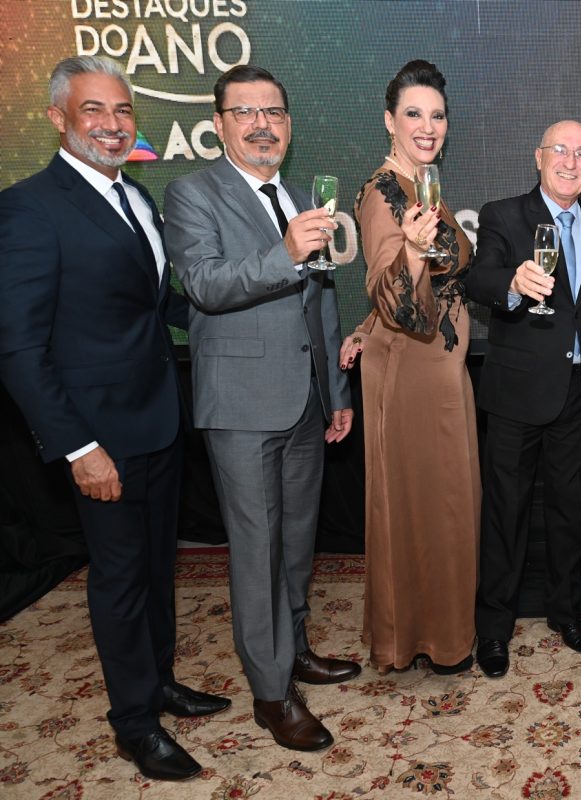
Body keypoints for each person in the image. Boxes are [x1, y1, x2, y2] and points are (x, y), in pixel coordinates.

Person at [0, 55, 229, 781]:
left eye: (123, 109)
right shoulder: (30, 208)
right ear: (58, 118)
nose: (112, 124)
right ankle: (134, 722)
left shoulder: (136, 193)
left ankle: (159, 683)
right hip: (99, 436)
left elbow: (157, 305)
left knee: (158, 567)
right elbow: (18, 348)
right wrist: (79, 448)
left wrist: (240, 315)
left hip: (158, 418)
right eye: (93, 110)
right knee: (120, 579)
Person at [163, 64, 359, 753]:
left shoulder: (301, 195)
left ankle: (294, 649)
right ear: (218, 125)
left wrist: (336, 394)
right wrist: (284, 253)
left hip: (305, 400)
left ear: (289, 124)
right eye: (245, 112)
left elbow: (322, 300)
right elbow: (204, 286)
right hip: (241, 406)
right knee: (256, 550)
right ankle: (272, 693)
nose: (261, 125)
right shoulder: (192, 194)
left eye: (273, 112)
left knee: (297, 538)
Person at [337, 60, 479, 675]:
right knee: (423, 505)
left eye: (437, 115)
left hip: (441, 367)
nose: (428, 126)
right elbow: (394, 295)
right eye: (414, 114)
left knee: (447, 504)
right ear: (389, 121)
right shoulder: (383, 192)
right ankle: (422, 639)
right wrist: (418, 253)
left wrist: (363, 326)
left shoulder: (423, 186)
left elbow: (397, 294)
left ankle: (443, 632)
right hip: (412, 372)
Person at [464, 120, 581, 678]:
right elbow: (478, 279)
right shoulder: (503, 215)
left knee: (572, 511)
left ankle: (565, 611)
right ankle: (494, 627)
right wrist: (512, 283)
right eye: (561, 150)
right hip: (517, 393)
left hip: (580, 390)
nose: (571, 161)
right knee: (506, 512)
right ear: (538, 157)